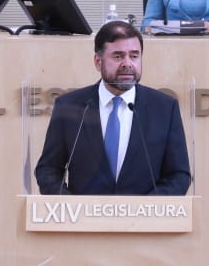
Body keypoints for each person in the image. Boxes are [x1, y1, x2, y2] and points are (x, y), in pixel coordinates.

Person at [34, 20, 191, 196]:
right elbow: (48, 170)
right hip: (83, 213)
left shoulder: (164, 108)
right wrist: (71, 206)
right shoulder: (69, 106)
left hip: (144, 213)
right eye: (118, 56)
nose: (127, 64)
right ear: (98, 62)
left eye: (134, 56)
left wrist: (145, 208)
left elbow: (179, 175)